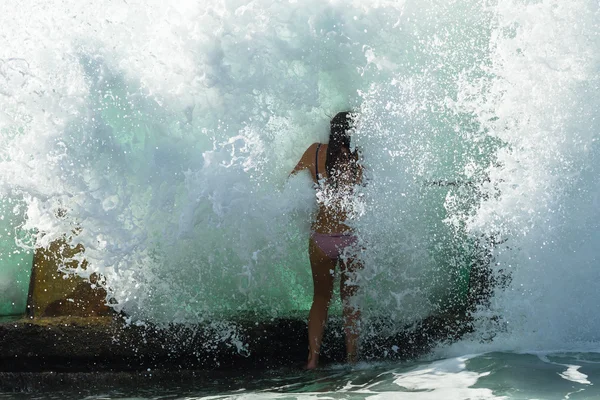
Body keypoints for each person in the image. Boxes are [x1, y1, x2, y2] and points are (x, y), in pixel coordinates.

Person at [290, 111, 363, 369]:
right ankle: (352, 359)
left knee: (321, 298)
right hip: (351, 236)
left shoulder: (315, 152)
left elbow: (291, 184)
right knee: (350, 300)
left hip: (321, 237)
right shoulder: (359, 157)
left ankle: (312, 360)